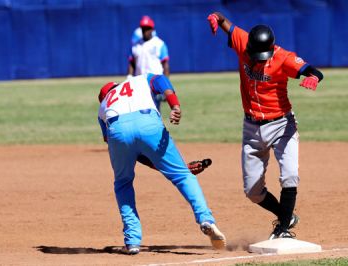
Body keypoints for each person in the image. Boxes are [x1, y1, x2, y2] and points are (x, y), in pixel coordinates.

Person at [207, 12, 324, 240]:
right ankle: (285, 216)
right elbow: (226, 23)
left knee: (289, 175)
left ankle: (283, 230)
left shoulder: (283, 58)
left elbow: (312, 70)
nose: (259, 59)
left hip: (282, 126)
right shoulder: (243, 42)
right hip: (251, 128)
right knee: (252, 191)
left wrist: (314, 78)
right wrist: (216, 18)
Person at [97, 74, 226, 255]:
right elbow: (161, 81)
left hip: (116, 129)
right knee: (182, 176)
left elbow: (123, 147)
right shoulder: (139, 80)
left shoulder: (103, 107)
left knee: (123, 183)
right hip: (148, 122)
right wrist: (175, 105)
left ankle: (132, 241)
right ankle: (206, 219)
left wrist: (158, 165)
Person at [127, 16, 170, 111]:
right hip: (139, 82)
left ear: (152, 29)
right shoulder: (135, 45)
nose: (145, 30)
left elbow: (165, 65)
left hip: (154, 83)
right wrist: (129, 76)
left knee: (154, 111)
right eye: (143, 28)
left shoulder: (159, 44)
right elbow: (131, 62)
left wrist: (166, 85)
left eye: (147, 28)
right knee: (139, 111)